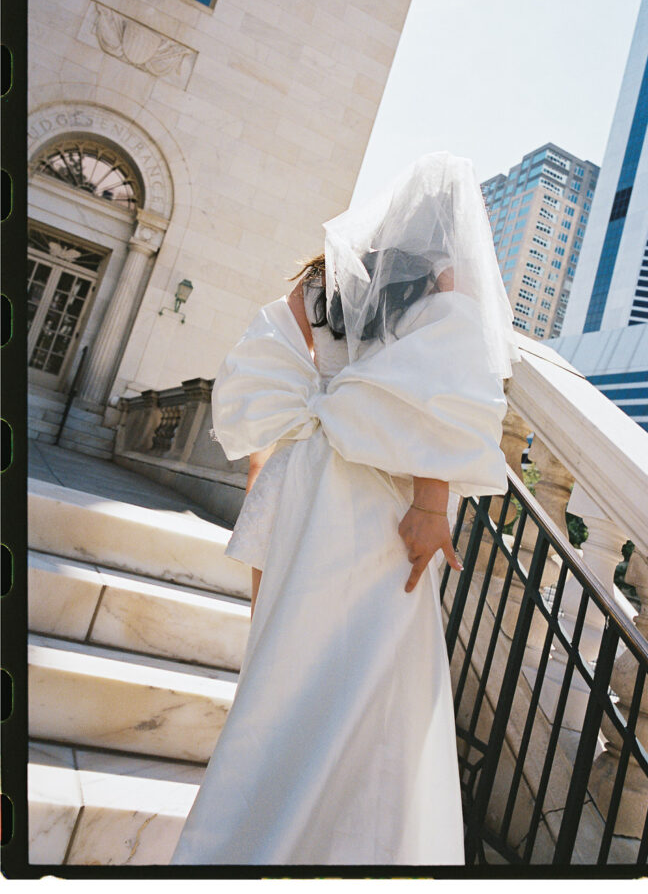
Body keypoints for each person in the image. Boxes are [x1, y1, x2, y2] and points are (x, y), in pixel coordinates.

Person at [170, 151, 520, 867]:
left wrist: (277, 473)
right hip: (368, 500)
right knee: (363, 677)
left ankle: (241, 839)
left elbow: (265, 362)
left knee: (281, 666)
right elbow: (441, 397)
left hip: (299, 482)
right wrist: (430, 506)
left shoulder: (323, 279)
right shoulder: (441, 285)